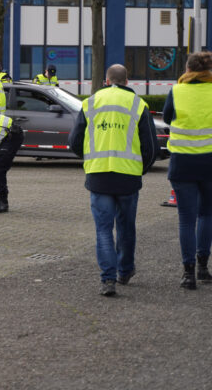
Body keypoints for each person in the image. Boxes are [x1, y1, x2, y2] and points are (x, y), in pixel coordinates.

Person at [68, 64, 159, 297]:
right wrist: (141, 169)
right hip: (128, 177)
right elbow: (151, 146)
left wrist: (90, 160)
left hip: (99, 176)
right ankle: (125, 271)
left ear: (106, 81)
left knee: (103, 230)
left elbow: (75, 141)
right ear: (127, 82)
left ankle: (107, 280)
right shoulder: (138, 104)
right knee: (126, 227)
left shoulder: (90, 103)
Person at [163, 51, 212, 290]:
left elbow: (168, 117)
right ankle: (203, 268)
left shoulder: (177, 91)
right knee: (206, 214)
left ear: (188, 70)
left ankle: (188, 273)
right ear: (208, 70)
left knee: (186, 220)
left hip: (183, 163)